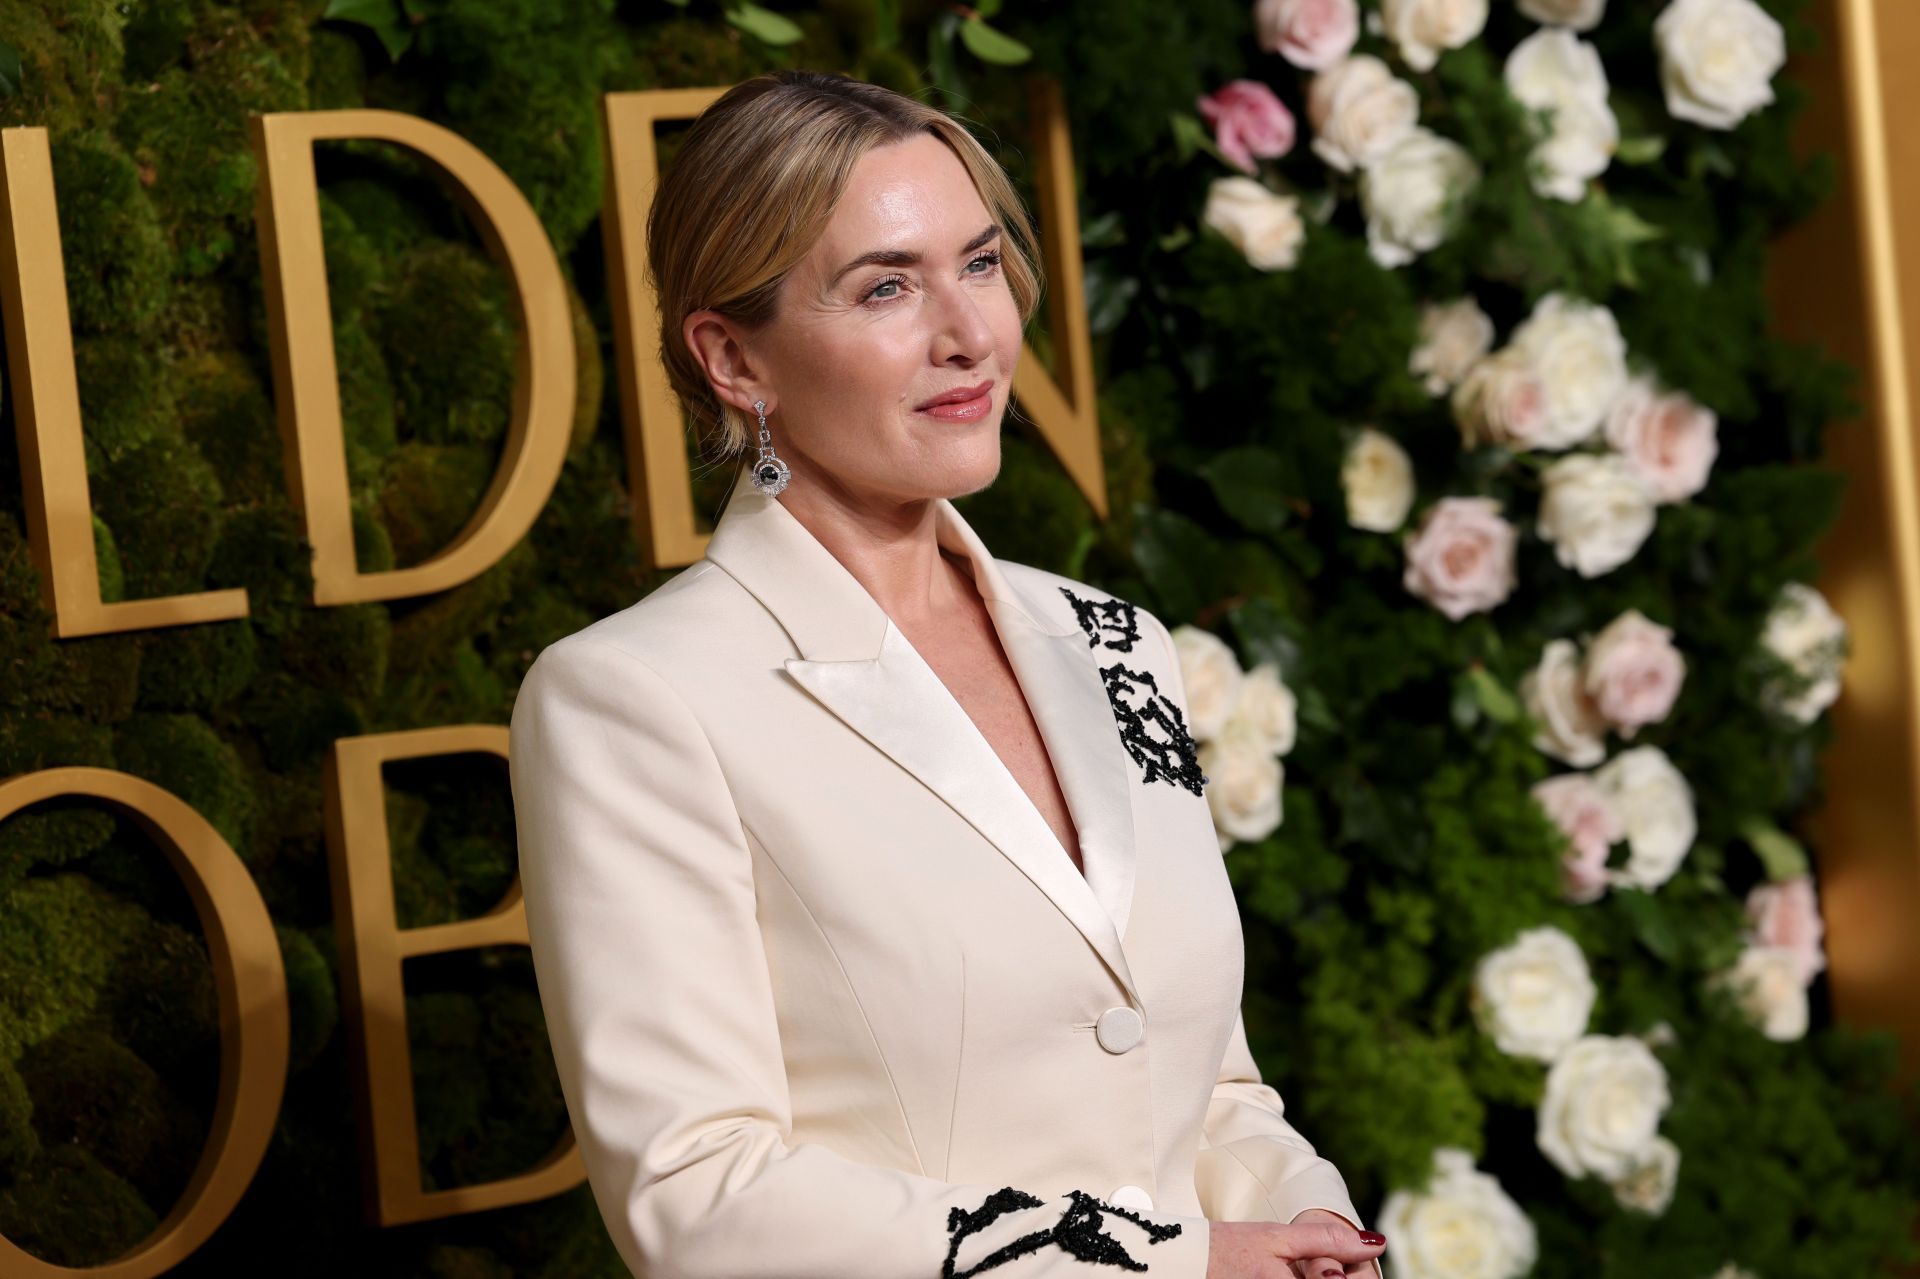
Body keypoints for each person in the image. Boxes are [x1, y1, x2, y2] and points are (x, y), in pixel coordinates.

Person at [508, 68, 1389, 1279]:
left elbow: (1208, 1079)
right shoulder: (635, 701)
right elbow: (698, 1197)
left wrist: (1320, 1234)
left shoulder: (1116, 638)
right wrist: (1174, 1267)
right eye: (885, 286)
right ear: (733, 359)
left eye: (979, 264)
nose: (970, 333)